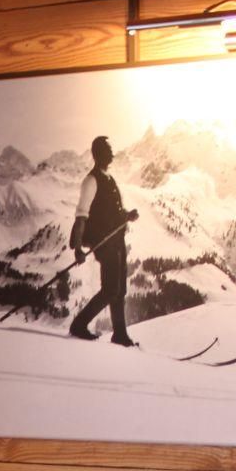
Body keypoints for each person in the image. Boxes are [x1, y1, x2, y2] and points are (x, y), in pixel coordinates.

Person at [67, 135, 140, 347]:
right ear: (98, 154)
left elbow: (112, 212)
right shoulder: (91, 181)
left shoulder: (108, 179)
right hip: (104, 243)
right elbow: (82, 215)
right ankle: (79, 325)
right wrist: (78, 248)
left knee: (119, 290)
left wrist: (127, 215)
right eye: (108, 151)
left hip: (117, 240)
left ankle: (120, 335)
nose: (112, 155)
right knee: (110, 290)